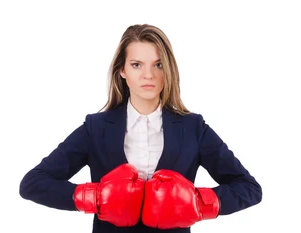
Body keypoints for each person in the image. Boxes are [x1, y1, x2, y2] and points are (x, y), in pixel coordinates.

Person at [19, 24, 262, 233]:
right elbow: (33, 183)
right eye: (137, 65)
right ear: (122, 71)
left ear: (168, 70)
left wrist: (199, 202)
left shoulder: (193, 128)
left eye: (158, 65)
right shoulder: (96, 128)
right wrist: (94, 197)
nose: (149, 75)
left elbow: (249, 188)